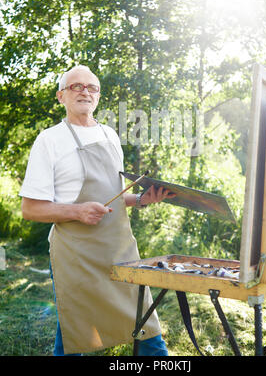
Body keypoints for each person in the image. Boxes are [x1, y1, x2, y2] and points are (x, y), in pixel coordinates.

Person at [20, 65, 175, 356]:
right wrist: (77, 212)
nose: (84, 92)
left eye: (91, 87)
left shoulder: (110, 136)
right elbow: (30, 209)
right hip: (75, 255)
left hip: (120, 250)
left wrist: (142, 200)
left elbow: (112, 199)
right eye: (76, 86)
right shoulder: (49, 140)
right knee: (73, 334)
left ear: (98, 97)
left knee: (146, 327)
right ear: (61, 96)